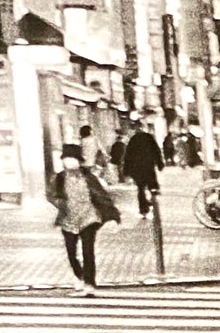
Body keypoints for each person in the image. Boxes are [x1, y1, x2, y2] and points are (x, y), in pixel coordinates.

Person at [46, 144, 120, 295]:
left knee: (88, 251)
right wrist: (60, 203)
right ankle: (79, 275)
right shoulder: (59, 178)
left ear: (79, 161)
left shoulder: (89, 178)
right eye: (67, 159)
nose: (70, 162)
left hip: (89, 217)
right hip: (68, 219)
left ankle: (90, 283)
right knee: (71, 253)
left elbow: (102, 196)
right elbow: (51, 194)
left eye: (73, 159)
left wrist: (113, 216)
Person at [122, 121, 164, 218]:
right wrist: (159, 163)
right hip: (148, 166)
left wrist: (126, 170)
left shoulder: (132, 140)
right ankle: (152, 200)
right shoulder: (148, 138)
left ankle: (143, 209)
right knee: (151, 184)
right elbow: (156, 151)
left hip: (136, 169)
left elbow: (128, 156)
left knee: (140, 188)